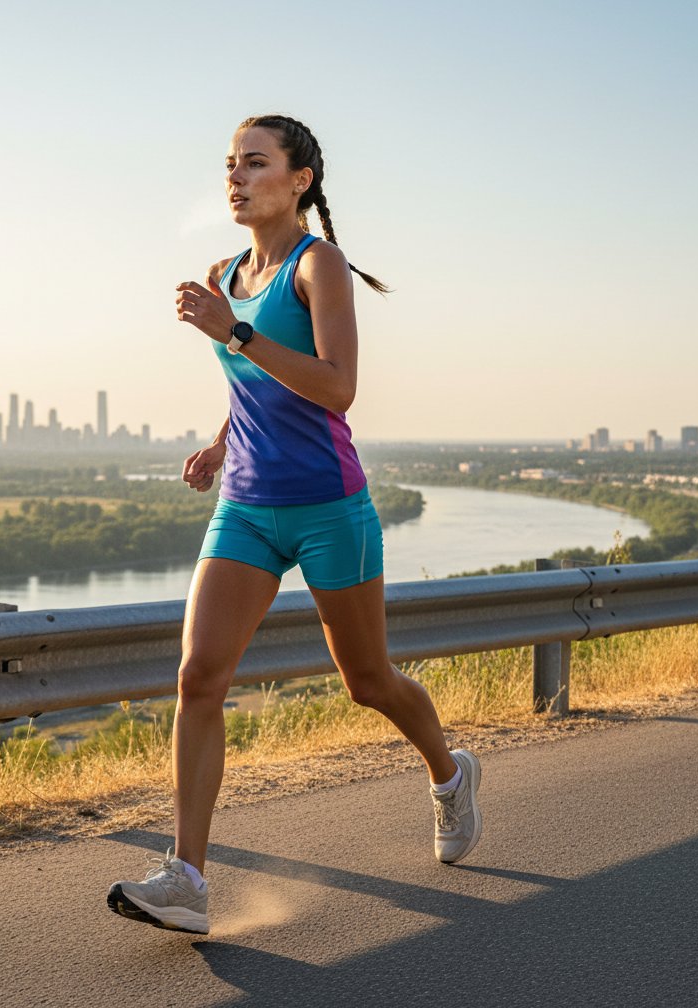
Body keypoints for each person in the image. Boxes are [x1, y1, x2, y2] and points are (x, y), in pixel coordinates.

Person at [107, 114, 481, 934]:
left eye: (255, 164)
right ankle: (188, 880)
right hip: (245, 505)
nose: (236, 178)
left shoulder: (320, 266)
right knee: (199, 677)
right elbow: (253, 387)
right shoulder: (226, 269)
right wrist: (217, 444)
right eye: (230, 165)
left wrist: (233, 329)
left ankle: (450, 776)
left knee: (367, 683)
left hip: (327, 507)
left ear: (299, 179)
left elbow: (337, 387)